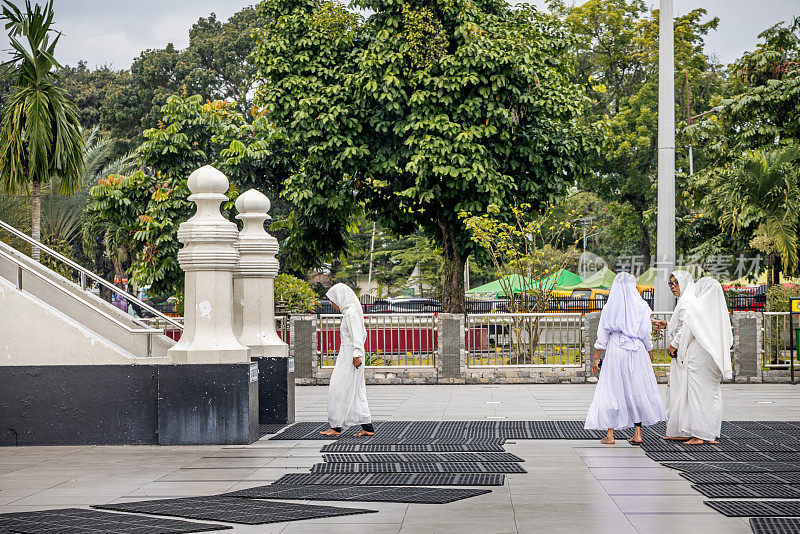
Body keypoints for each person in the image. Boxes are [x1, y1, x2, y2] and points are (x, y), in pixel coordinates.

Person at [585, 273, 666, 445]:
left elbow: (602, 335)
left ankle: (610, 434)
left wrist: (596, 357)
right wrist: (650, 351)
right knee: (637, 389)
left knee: (612, 389)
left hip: (616, 350)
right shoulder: (642, 306)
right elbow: (646, 333)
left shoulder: (609, 307)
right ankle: (638, 433)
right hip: (637, 351)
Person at [667, 277, 733, 445]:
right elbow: (729, 339)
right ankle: (710, 435)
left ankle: (698, 435)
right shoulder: (719, 313)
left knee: (697, 394)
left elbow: (687, 332)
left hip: (698, 357)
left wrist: (675, 347)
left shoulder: (697, 308)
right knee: (712, 394)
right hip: (714, 357)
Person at [320, 283, 375, 437]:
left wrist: (356, 354)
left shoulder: (350, 313)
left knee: (338, 388)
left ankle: (336, 427)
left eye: (332, 300)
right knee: (356, 390)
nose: (332, 304)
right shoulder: (348, 312)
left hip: (351, 357)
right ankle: (367, 427)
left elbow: (358, 335)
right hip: (348, 355)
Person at [655, 271, 696, 441]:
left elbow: (687, 327)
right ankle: (680, 429)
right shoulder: (684, 301)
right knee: (679, 390)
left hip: (683, 353)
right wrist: (668, 325)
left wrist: (674, 344)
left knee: (681, 391)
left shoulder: (686, 302)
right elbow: (680, 325)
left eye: (676, 283)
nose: (673, 287)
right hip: (682, 353)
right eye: (670, 284)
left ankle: (683, 430)